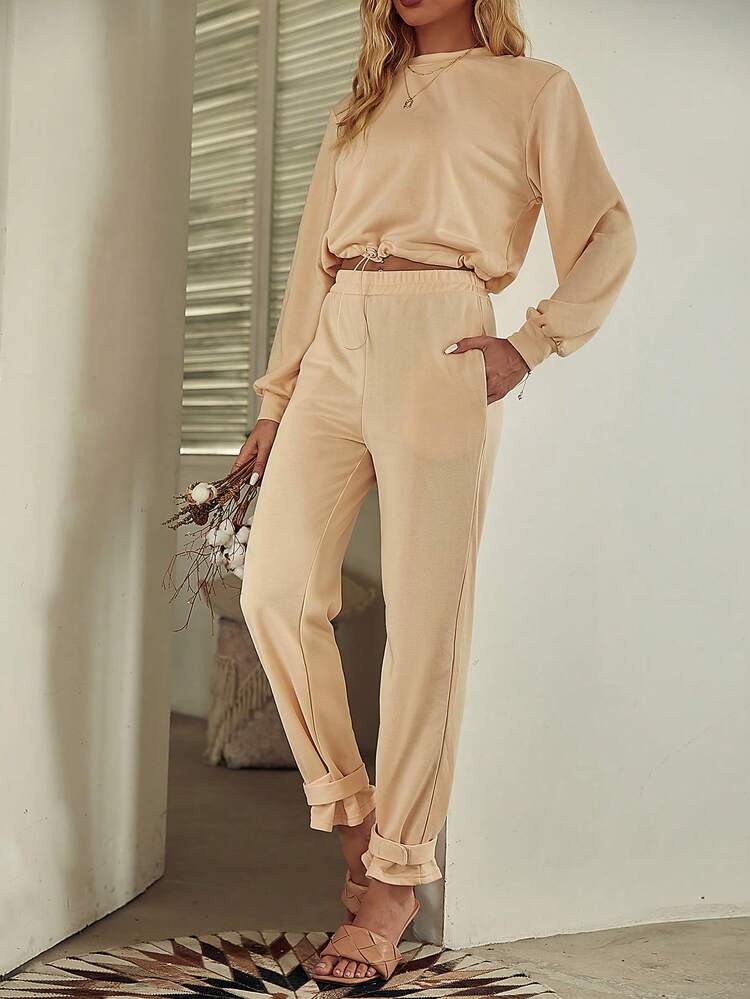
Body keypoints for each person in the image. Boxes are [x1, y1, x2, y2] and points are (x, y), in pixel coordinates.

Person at [234, 0, 636, 983]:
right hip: (338, 335)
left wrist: (530, 343)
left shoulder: (533, 90)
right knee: (273, 591)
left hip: (443, 333)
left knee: (425, 623)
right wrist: (277, 401)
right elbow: (311, 261)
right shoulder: (360, 103)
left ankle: (395, 877)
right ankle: (352, 812)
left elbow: (607, 232)